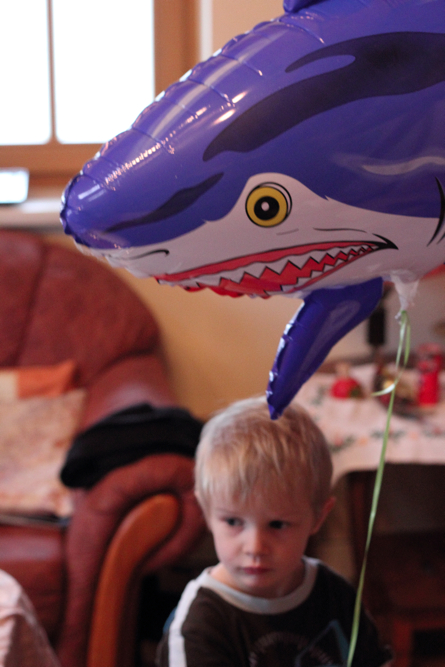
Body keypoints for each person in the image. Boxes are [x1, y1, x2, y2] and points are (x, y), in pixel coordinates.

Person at [156, 396, 392, 667]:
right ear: (206, 511)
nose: (255, 547)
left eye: (278, 524)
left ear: (318, 517)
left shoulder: (336, 595)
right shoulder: (198, 627)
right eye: (233, 522)